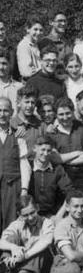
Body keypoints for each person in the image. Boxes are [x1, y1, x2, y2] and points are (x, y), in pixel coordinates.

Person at [0, 196, 54, 273]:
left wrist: (25, 256)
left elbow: (46, 241)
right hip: (21, 266)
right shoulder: (17, 224)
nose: (30, 218)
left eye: (32, 213)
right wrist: (13, 248)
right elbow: (1, 242)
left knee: (40, 249)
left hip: (42, 267)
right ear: (19, 215)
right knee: (11, 239)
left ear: (37, 208)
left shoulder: (47, 222)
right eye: (25, 215)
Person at [48, 97, 83, 193]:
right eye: (61, 114)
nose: (65, 117)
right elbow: (55, 159)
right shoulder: (52, 134)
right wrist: (77, 153)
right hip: (61, 180)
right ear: (56, 115)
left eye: (68, 113)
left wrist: (63, 160)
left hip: (82, 178)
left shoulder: (82, 129)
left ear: (73, 112)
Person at [0, 97, 31, 232]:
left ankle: (7, 251)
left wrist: (24, 189)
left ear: (12, 112)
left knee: (10, 221)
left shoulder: (18, 135)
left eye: (6, 111)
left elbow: (24, 163)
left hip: (12, 185)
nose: (2, 114)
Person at [29, 136, 73, 217]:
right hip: (31, 214)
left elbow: (70, 192)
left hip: (52, 214)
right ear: (35, 149)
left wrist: (59, 214)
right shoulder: (28, 167)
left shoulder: (57, 169)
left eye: (48, 151)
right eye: (42, 150)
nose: (45, 154)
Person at [10, 85, 42, 156]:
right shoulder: (11, 124)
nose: (30, 105)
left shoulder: (40, 125)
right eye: (27, 102)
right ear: (18, 103)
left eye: (32, 102)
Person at [17, 15, 43, 80]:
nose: (38, 33)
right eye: (35, 29)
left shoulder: (36, 45)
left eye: (41, 30)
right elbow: (26, 72)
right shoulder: (24, 46)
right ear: (28, 29)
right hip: (30, 83)